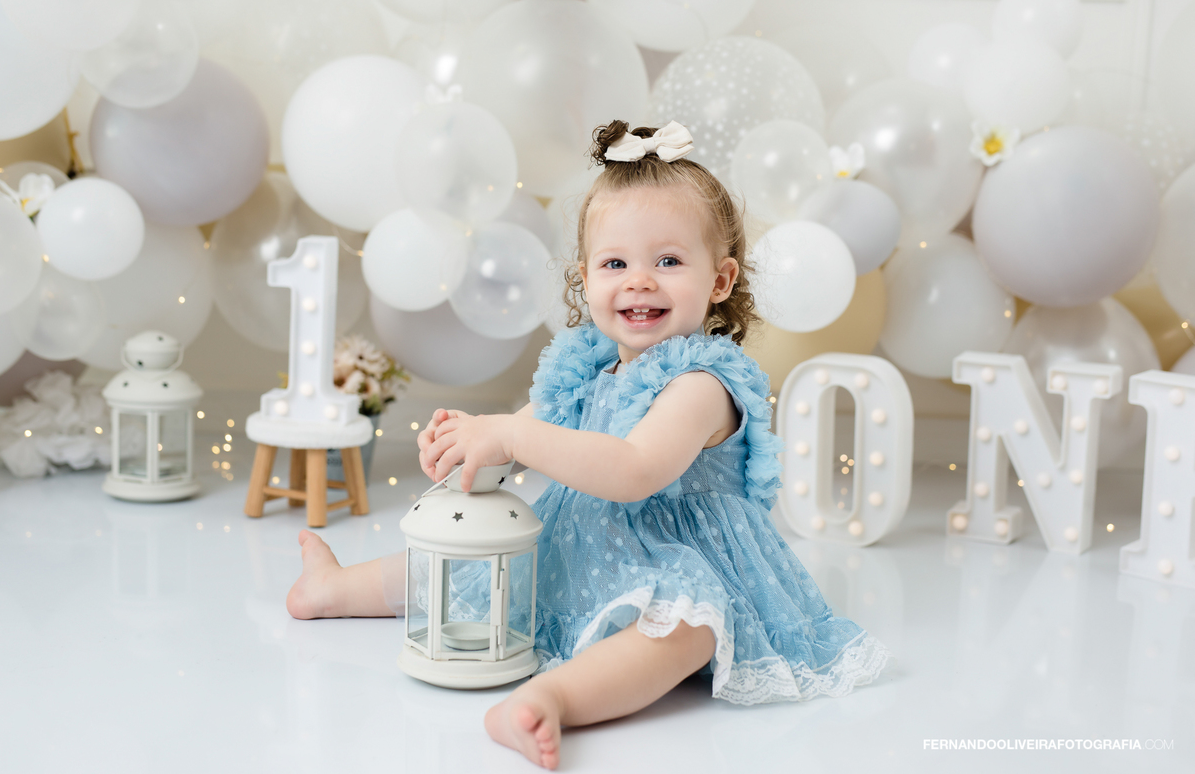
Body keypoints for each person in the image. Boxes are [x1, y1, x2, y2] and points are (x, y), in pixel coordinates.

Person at [286, 120, 892, 769]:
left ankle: (550, 699)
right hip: (583, 544)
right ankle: (336, 589)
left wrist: (516, 433)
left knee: (686, 628)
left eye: (668, 260)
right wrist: (478, 438)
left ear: (719, 281)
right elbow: (527, 431)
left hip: (676, 554)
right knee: (476, 558)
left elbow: (635, 471)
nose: (639, 280)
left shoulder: (702, 382)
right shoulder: (589, 365)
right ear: (586, 277)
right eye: (615, 263)